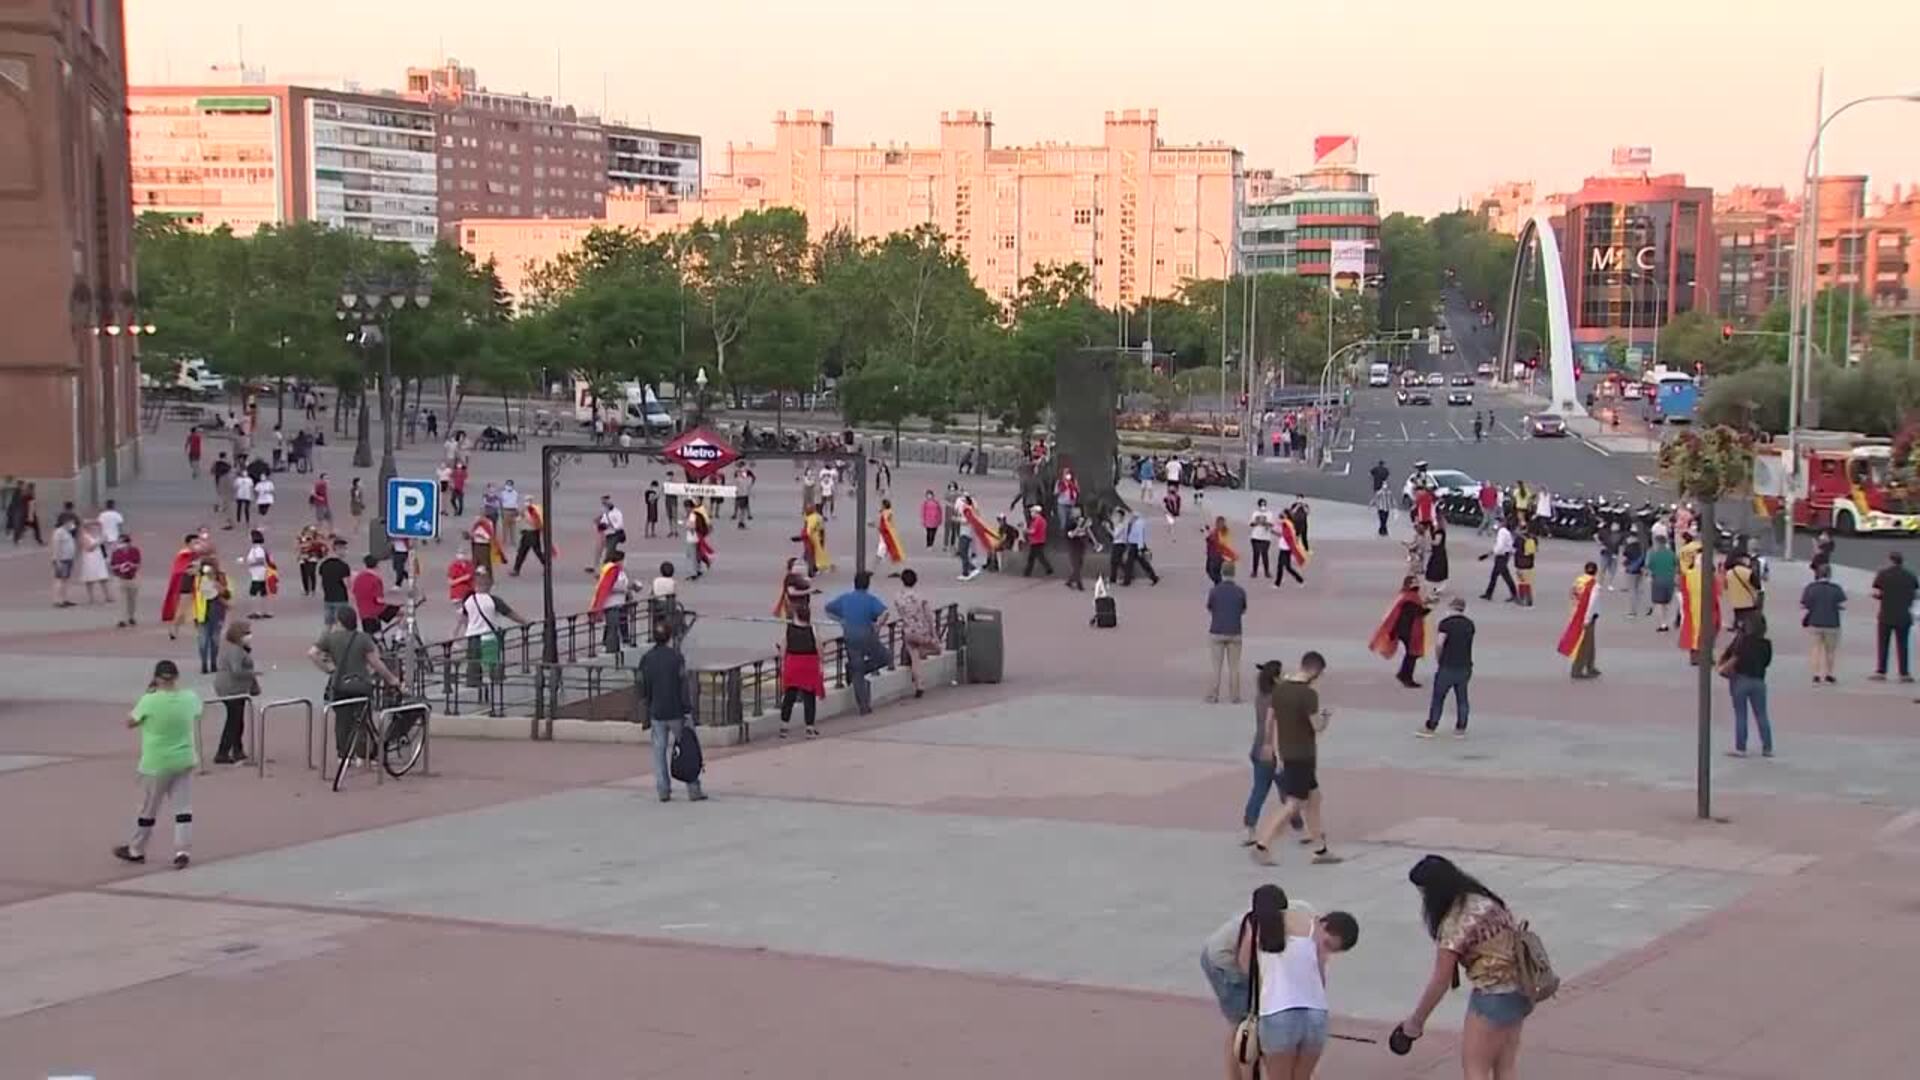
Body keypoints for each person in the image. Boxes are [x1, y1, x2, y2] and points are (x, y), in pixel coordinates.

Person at [1399, 855, 1535, 1079]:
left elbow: (1440, 981)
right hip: (1521, 989)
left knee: (1475, 1069)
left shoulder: (1454, 924)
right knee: (1506, 1067)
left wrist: (1415, 1023)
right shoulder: (1486, 901)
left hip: (1491, 996)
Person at [1243, 889, 1360, 1080]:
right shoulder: (1311, 928)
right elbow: (1320, 977)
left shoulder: (1258, 928)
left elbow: (1244, 965)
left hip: (1277, 1011)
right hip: (1315, 1014)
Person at [1249, 650, 1342, 866]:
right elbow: (1316, 726)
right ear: (1316, 672)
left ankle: (1320, 849)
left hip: (1287, 752)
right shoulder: (1308, 695)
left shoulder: (1280, 690)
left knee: (1314, 798)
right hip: (1303, 755)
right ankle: (1262, 845)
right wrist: (1326, 717)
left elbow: (1270, 718)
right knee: (1294, 804)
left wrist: (1269, 745)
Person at [113, 660, 202, 869]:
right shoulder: (190, 698)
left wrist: (150, 695)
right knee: (183, 808)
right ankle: (182, 851)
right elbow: (198, 712)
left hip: (156, 762)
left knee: (148, 809)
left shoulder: (149, 700)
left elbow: (130, 722)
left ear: (156, 678)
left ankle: (136, 849)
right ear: (176, 677)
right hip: (184, 759)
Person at [308, 607, 404, 762]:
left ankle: (343, 755)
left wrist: (328, 669)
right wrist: (392, 679)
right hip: (361, 685)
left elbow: (312, 653)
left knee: (342, 721)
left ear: (340, 622)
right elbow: (376, 663)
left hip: (340, 685)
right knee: (362, 720)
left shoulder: (330, 638)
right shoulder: (363, 638)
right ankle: (362, 754)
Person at [638, 619, 706, 802]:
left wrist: (647, 706)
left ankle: (663, 789)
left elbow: (642, 686)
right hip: (676, 711)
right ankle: (693, 788)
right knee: (687, 748)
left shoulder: (647, 659)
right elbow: (684, 685)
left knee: (659, 752)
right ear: (669, 637)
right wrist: (687, 709)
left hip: (657, 711)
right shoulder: (676, 658)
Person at [826, 571, 891, 715]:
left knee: (857, 671)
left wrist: (841, 621)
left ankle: (863, 706)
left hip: (850, 636)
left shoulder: (845, 598)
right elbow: (885, 612)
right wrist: (878, 625)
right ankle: (862, 669)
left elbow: (828, 609)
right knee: (885, 658)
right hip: (867, 636)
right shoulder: (870, 599)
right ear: (867, 585)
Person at [1720, 613, 1774, 758]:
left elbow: (1735, 658)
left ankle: (1741, 748)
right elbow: (1767, 662)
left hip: (1741, 680)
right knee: (1762, 715)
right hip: (1759, 681)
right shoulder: (1766, 644)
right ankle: (1767, 747)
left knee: (1741, 715)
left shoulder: (1743, 642)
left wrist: (1722, 669)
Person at [458, 572, 526, 685]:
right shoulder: (493, 600)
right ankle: (496, 680)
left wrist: (468, 628)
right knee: (492, 661)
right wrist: (525, 622)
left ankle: (473, 681)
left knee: (473, 662)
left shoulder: (469, 600)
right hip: (489, 635)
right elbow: (510, 613)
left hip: (473, 636)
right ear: (488, 585)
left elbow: (464, 618)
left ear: (475, 585)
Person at [212, 619, 261, 764]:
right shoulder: (235, 650)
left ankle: (237, 749)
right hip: (231, 689)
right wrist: (253, 674)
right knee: (234, 721)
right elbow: (237, 671)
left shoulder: (237, 648)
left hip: (234, 688)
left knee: (237, 720)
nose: (249, 636)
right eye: (246, 633)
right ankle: (223, 752)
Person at [1425, 597, 1475, 737]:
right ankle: (1461, 727)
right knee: (1462, 698)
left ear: (1452, 607)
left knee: (1438, 698)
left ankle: (1432, 726)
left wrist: (1439, 659)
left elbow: (1439, 644)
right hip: (1465, 666)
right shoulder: (1470, 624)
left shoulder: (1445, 624)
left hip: (1447, 666)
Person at [1370, 576, 1429, 688]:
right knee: (1412, 654)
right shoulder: (1411, 598)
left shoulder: (1405, 596)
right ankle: (1405, 676)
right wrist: (1429, 607)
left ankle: (1403, 674)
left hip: (1404, 630)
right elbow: (1418, 612)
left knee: (1411, 654)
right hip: (1410, 631)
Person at [1205, 562, 1248, 705]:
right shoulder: (1240, 591)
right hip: (1235, 631)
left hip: (1217, 631)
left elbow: (1209, 608)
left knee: (1216, 667)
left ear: (1222, 573)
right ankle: (1235, 696)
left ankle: (1213, 695)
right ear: (1234, 573)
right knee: (1234, 667)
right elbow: (1243, 609)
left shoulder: (1214, 591)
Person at [1871, 551, 1918, 682]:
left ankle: (1881, 671)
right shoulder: (1910, 575)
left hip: (1886, 614)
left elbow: (1877, 591)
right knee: (1903, 645)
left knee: (1883, 644)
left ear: (1890, 561)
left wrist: (1879, 596)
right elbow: (1915, 592)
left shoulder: (1883, 574)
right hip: (1903, 615)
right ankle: (1904, 673)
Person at [895, 568, 941, 697]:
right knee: (937, 649)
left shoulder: (898, 597)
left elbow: (901, 612)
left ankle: (919, 685)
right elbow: (929, 616)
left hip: (908, 632)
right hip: (922, 632)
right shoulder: (920, 597)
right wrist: (934, 634)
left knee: (915, 658)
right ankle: (922, 653)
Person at [1801, 563, 1846, 684]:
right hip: (1832, 623)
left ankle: (1816, 674)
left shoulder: (1810, 588)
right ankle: (1829, 674)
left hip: (1815, 622)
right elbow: (1842, 604)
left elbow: (1803, 604)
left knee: (1816, 648)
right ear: (1830, 574)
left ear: (1818, 574)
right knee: (1830, 650)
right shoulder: (1836, 588)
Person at [1558, 561, 1602, 680]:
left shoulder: (1579, 581)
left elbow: (1572, 594)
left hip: (1576, 612)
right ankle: (1577, 670)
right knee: (1584, 644)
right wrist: (1587, 618)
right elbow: (1592, 603)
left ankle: (1590, 666)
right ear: (1596, 572)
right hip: (1587, 617)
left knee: (1590, 643)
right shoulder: (1594, 585)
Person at [350, 554, 398, 634]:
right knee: (402, 613)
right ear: (377, 565)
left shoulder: (358, 578)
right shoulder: (375, 579)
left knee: (370, 634)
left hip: (363, 612)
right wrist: (393, 603)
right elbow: (379, 600)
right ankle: (399, 635)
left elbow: (354, 594)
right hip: (376, 610)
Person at [1479, 519, 1517, 602]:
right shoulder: (1506, 532)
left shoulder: (1502, 532)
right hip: (1504, 555)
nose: (1496, 524)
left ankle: (1514, 594)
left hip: (1501, 556)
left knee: (1505, 576)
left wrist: (1491, 553)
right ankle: (1489, 593)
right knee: (1496, 575)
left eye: (1497, 522)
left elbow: (1500, 546)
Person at [1723, 552, 1762, 634]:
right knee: (1748, 622)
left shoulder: (1729, 573)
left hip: (1734, 601)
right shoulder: (1748, 572)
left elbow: (1726, 586)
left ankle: (1737, 629)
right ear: (1743, 560)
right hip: (1748, 602)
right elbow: (1758, 586)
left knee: (1738, 618)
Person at [110, 531, 142, 628]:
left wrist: (131, 565)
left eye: (123, 542)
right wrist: (119, 567)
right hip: (120, 578)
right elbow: (112, 566)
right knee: (121, 600)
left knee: (132, 600)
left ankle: (131, 616)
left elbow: (138, 564)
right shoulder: (116, 553)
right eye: (120, 542)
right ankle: (122, 619)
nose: (121, 545)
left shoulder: (135, 551)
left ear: (128, 543)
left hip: (132, 578)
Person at [1646, 534, 1678, 631]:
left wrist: (1649, 577)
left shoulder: (1653, 554)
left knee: (1659, 603)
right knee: (1667, 603)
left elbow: (1648, 567)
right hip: (1670, 580)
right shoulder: (1671, 554)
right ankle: (1668, 620)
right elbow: (1676, 566)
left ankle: (1663, 624)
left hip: (1658, 580)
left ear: (1657, 543)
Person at [241, 528, 274, 620]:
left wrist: (247, 561)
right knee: (263, 592)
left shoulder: (258, 549)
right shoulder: (256, 548)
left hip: (258, 573)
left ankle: (257, 611)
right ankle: (265, 611)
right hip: (258, 572)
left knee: (254, 592)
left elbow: (260, 560)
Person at [77, 521, 112, 605]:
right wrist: (99, 541)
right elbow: (89, 548)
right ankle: (91, 598)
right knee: (90, 579)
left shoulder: (98, 535)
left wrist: (106, 556)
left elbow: (103, 547)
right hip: (90, 559)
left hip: (99, 558)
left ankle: (108, 596)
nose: (95, 529)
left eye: (96, 527)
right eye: (92, 527)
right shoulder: (84, 536)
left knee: (103, 577)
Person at [1124, 508, 1160, 586]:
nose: (1131, 518)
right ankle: (1154, 577)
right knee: (1140, 563)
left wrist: (1140, 549)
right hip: (1133, 545)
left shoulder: (1139, 524)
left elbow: (1140, 537)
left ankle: (1127, 581)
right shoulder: (1132, 523)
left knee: (1133, 563)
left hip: (1136, 546)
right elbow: (1128, 534)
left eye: (1133, 517)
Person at [1620, 528, 1647, 619]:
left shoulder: (1629, 547)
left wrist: (1625, 565)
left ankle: (1632, 611)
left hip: (1631, 571)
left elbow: (1625, 559)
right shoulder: (1641, 547)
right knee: (1638, 589)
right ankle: (1642, 608)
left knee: (1632, 591)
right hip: (1640, 570)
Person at [1063, 506, 1092, 591]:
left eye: (1079, 511)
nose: (1077, 513)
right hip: (1073, 546)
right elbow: (1071, 535)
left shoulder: (1083, 521)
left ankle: (1070, 581)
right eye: (1075, 511)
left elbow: (1087, 532)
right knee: (1076, 565)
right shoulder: (1069, 523)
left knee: (1080, 564)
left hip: (1081, 545)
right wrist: (1078, 527)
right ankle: (1079, 584)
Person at [1021, 504, 1054, 577]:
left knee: (1035, 557)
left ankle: (1028, 572)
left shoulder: (1038, 520)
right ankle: (1048, 569)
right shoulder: (1041, 520)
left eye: (1032, 512)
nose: (1031, 514)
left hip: (1036, 541)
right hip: (1038, 541)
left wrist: (1025, 530)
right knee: (1037, 557)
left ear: (1036, 512)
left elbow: (1033, 531)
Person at [1248, 499, 1276, 579]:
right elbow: (1251, 523)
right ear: (1259, 505)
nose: (1263, 506)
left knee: (1265, 554)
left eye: (1264, 504)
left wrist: (1266, 523)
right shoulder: (1255, 513)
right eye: (1261, 504)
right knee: (1256, 554)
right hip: (1255, 536)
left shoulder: (1269, 513)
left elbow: (1272, 524)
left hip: (1266, 537)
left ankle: (1267, 572)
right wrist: (1257, 522)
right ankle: (1254, 572)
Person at [1512, 523, 1538, 608]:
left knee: (1521, 581)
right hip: (1530, 563)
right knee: (1528, 581)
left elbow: (1514, 547)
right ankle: (1529, 598)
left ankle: (1522, 598)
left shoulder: (1519, 538)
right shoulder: (1533, 538)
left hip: (1520, 563)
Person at [1424, 524, 1451, 593]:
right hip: (1435, 552)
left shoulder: (1440, 531)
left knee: (1437, 570)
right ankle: (1433, 587)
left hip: (1439, 553)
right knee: (1432, 570)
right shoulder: (1433, 530)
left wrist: (1428, 539)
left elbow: (1436, 542)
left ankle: (1438, 587)